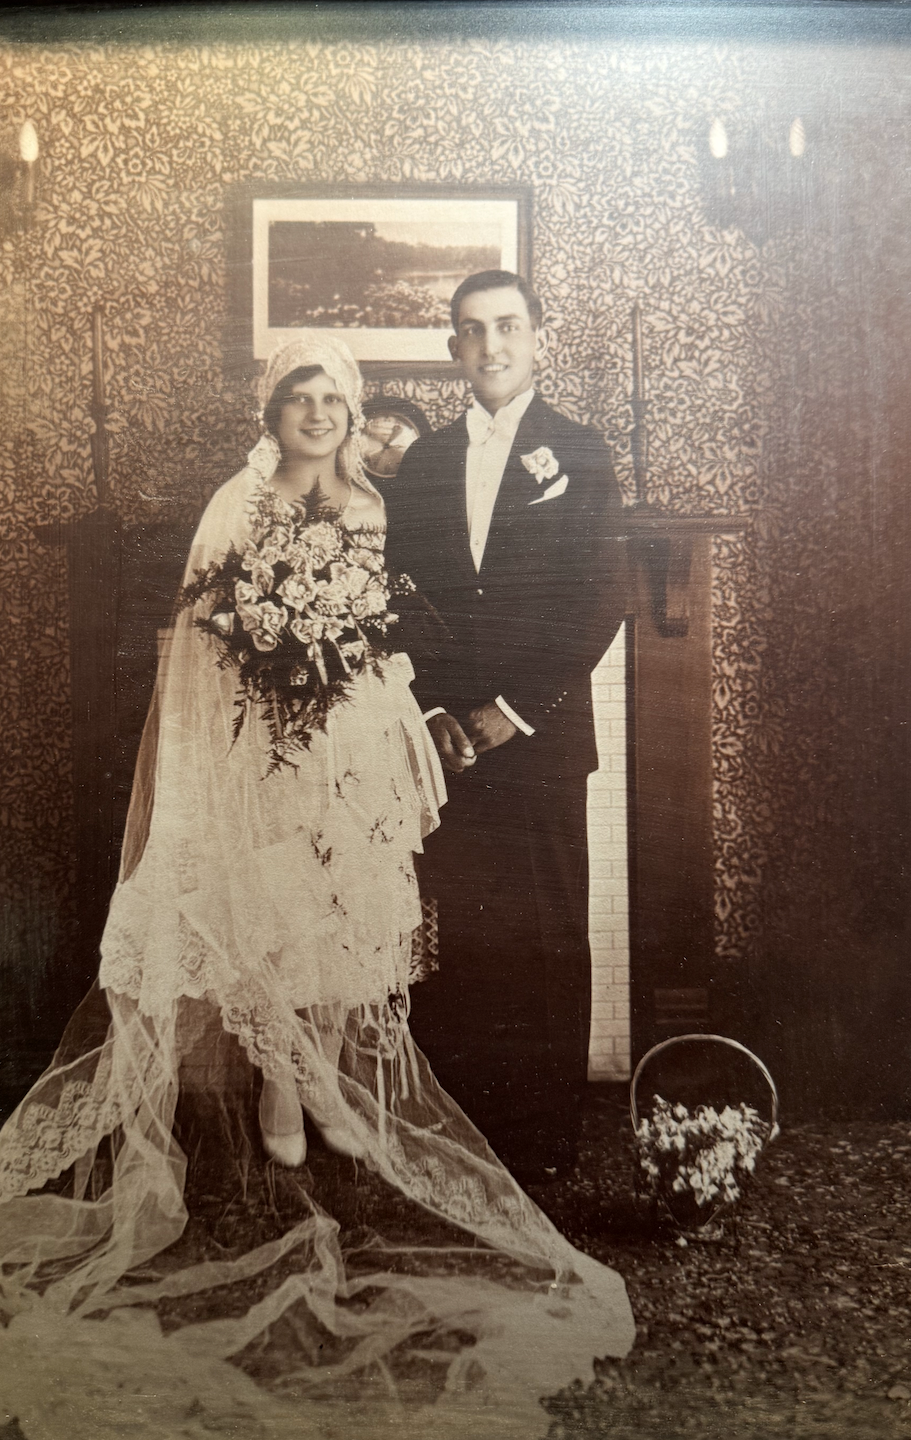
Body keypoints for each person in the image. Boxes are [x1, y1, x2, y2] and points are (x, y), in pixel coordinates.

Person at [0, 334, 633, 1440]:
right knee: (272, 917)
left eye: (334, 398)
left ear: (354, 411)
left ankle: (320, 1089)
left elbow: (400, 633)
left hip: (350, 750)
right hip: (253, 753)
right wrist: (259, 704)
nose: (317, 413)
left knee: (347, 917)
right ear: (272, 410)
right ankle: (280, 1102)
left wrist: (370, 706)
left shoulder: (380, 507)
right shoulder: (237, 500)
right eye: (299, 397)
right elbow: (198, 651)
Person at [385, 271, 628, 1184]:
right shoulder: (425, 463)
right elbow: (399, 594)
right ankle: (462, 1140)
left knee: (550, 937)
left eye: (508, 327)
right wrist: (439, 713)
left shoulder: (582, 449)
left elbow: (596, 599)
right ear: (454, 350)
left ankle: (544, 1151)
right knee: (458, 938)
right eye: (472, 331)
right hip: (446, 741)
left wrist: (509, 712)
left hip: (541, 735)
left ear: (536, 338)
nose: (491, 345)